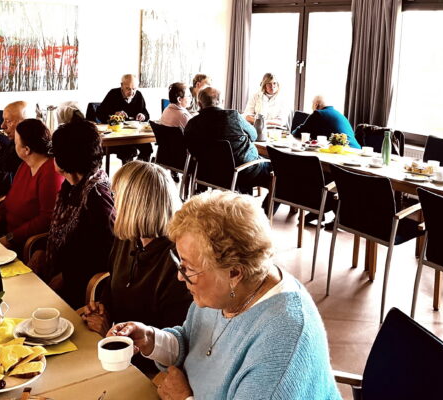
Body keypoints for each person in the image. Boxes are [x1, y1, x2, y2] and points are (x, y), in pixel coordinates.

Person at [107, 191, 341, 399]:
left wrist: (184, 398)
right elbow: (191, 341)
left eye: (188, 268)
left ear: (234, 272)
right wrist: (151, 340)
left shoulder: (280, 349)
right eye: (180, 263)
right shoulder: (228, 291)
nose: (180, 276)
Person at [81, 161, 193, 372]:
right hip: (115, 345)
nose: (113, 203)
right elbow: (113, 284)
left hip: (144, 368)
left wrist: (113, 338)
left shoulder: (178, 262)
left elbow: (172, 347)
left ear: (134, 206)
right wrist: (101, 311)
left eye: (116, 196)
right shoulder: (128, 239)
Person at [38, 119, 115, 309]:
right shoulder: (71, 186)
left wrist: (67, 276)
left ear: (65, 159)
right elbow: (60, 233)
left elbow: (105, 256)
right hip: (58, 274)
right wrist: (41, 249)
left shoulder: (97, 198)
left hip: (82, 293)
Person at [0, 119, 63, 254]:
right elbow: (9, 200)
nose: (13, 145)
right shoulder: (25, 165)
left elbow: (46, 219)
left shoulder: (51, 173)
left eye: (16, 143)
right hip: (7, 233)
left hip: (26, 243)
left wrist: (10, 238)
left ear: (26, 150)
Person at [184, 87, 271, 195]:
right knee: (276, 173)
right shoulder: (233, 116)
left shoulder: (192, 124)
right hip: (242, 171)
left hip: (208, 172)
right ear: (221, 101)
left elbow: (192, 149)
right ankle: (265, 206)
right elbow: (254, 135)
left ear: (199, 104)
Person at [97, 74, 152, 163]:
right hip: (117, 135)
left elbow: (146, 114)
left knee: (147, 148)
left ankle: (139, 169)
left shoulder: (138, 95)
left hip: (134, 134)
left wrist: (143, 115)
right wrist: (114, 115)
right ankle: (127, 171)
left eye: (134, 89)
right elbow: (99, 113)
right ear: (122, 86)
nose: (131, 92)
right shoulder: (113, 94)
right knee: (129, 151)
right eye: (128, 88)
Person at [292, 95, 359, 148]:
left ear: (316, 104)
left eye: (312, 104)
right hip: (356, 150)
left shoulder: (318, 114)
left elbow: (297, 133)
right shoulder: (339, 114)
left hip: (345, 151)